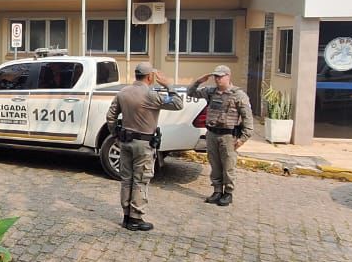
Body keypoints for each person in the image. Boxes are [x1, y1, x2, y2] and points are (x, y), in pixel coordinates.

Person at [105, 62, 184, 232]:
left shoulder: (123, 92)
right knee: (140, 180)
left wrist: (115, 134)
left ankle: (126, 215)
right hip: (144, 144)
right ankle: (135, 217)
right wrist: (168, 85)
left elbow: (111, 116)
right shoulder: (151, 95)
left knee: (126, 180)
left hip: (125, 142)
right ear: (149, 77)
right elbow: (178, 104)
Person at [188, 65, 254, 207]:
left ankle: (228, 193)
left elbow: (248, 119)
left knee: (228, 166)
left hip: (228, 136)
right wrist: (198, 81)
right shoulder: (210, 92)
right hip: (212, 133)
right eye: (216, 76)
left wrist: (243, 139)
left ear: (228, 76)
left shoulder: (238, 95)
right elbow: (190, 93)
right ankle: (217, 190)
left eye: (220, 76)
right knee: (215, 165)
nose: (217, 79)